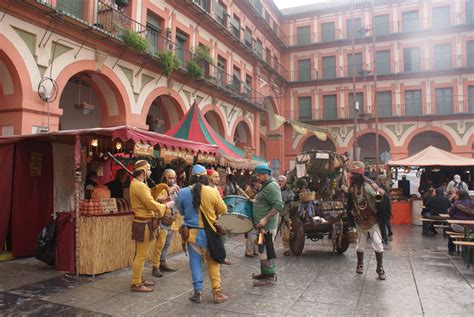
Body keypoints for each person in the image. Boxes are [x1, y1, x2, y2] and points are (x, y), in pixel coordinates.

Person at [177, 164, 229, 304]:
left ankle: (197, 293)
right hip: (210, 234)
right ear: (206, 177)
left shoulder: (182, 192)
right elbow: (223, 210)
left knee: (195, 263)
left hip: (192, 234)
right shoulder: (213, 191)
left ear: (191, 177)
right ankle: (217, 292)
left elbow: (181, 211)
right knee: (213, 263)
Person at [129, 160, 174, 292]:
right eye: (148, 169)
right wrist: (165, 206)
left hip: (142, 222)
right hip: (143, 223)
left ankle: (139, 278)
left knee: (140, 253)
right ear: (143, 171)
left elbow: (151, 197)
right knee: (141, 255)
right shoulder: (140, 185)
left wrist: (161, 195)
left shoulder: (138, 184)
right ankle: (136, 283)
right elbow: (150, 204)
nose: (150, 172)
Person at [346, 161, 387, 280]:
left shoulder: (368, 186)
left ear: (358, 175)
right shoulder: (352, 188)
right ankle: (360, 264)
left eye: (353, 174)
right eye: (351, 173)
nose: (351, 176)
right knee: (360, 245)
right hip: (360, 221)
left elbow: (379, 199)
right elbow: (349, 206)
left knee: (378, 244)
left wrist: (379, 192)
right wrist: (350, 223)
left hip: (372, 220)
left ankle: (380, 268)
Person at [251, 163, 283, 286]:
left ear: (266, 174)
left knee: (266, 250)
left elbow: (278, 206)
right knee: (262, 249)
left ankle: (269, 277)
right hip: (262, 226)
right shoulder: (266, 185)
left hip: (267, 226)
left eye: (259, 175)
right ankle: (265, 273)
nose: (257, 177)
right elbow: (266, 200)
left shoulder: (272, 187)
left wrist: (265, 219)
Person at [151, 169, 180, 278]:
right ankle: (155, 267)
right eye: (169, 177)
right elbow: (154, 200)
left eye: (173, 178)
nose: (172, 180)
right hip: (162, 220)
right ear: (164, 178)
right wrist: (169, 192)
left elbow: (177, 203)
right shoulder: (160, 187)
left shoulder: (176, 188)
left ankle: (163, 263)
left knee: (167, 245)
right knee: (160, 245)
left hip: (171, 220)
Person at [447, 190, 474, 254]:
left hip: (458, 227)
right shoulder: (472, 203)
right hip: (471, 228)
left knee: (450, 229)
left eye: (457, 194)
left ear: (460, 195)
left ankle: (451, 249)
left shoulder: (457, 203)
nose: (456, 196)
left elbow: (451, 213)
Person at [277, 175, 295, 256]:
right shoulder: (275, 190)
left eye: (282, 181)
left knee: (286, 233)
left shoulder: (289, 191)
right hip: (276, 213)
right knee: (272, 232)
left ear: (285, 182)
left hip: (285, 214)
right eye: (279, 181)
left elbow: (292, 201)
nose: (280, 182)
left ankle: (286, 249)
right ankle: (268, 248)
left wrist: (288, 202)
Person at [244, 175, 260, 258]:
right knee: (251, 233)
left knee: (256, 233)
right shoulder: (249, 190)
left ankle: (255, 251)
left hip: (256, 213)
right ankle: (249, 251)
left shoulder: (257, 189)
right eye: (257, 181)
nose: (259, 183)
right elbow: (247, 201)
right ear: (254, 182)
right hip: (251, 213)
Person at [376, 175, 393, 242]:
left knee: (382, 224)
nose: (377, 181)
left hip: (383, 209)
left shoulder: (379, 189)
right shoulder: (385, 187)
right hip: (386, 209)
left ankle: (384, 239)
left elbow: (377, 199)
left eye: (378, 180)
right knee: (385, 223)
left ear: (380, 180)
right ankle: (387, 236)